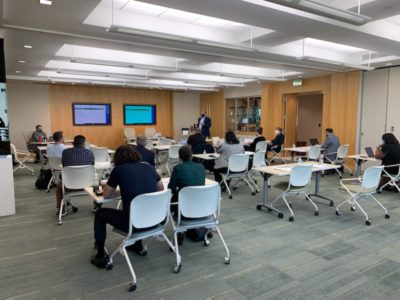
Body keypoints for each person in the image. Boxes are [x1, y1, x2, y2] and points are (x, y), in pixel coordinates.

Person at [90, 145, 164, 268]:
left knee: (99, 213)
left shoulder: (119, 170)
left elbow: (107, 195)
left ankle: (100, 254)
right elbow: (160, 189)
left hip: (133, 223)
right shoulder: (149, 167)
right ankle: (137, 245)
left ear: (117, 158)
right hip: (155, 220)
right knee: (138, 208)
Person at [55, 135, 95, 214]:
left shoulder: (65, 152)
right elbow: (92, 166)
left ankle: (61, 209)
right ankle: (97, 205)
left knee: (58, 186)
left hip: (69, 185)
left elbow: (64, 166)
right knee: (99, 183)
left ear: (73, 143)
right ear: (84, 143)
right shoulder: (90, 153)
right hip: (88, 185)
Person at [168, 146, 205, 214]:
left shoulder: (178, 168)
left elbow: (171, 188)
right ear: (192, 156)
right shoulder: (201, 166)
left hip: (183, 207)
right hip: (200, 203)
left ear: (179, 157)